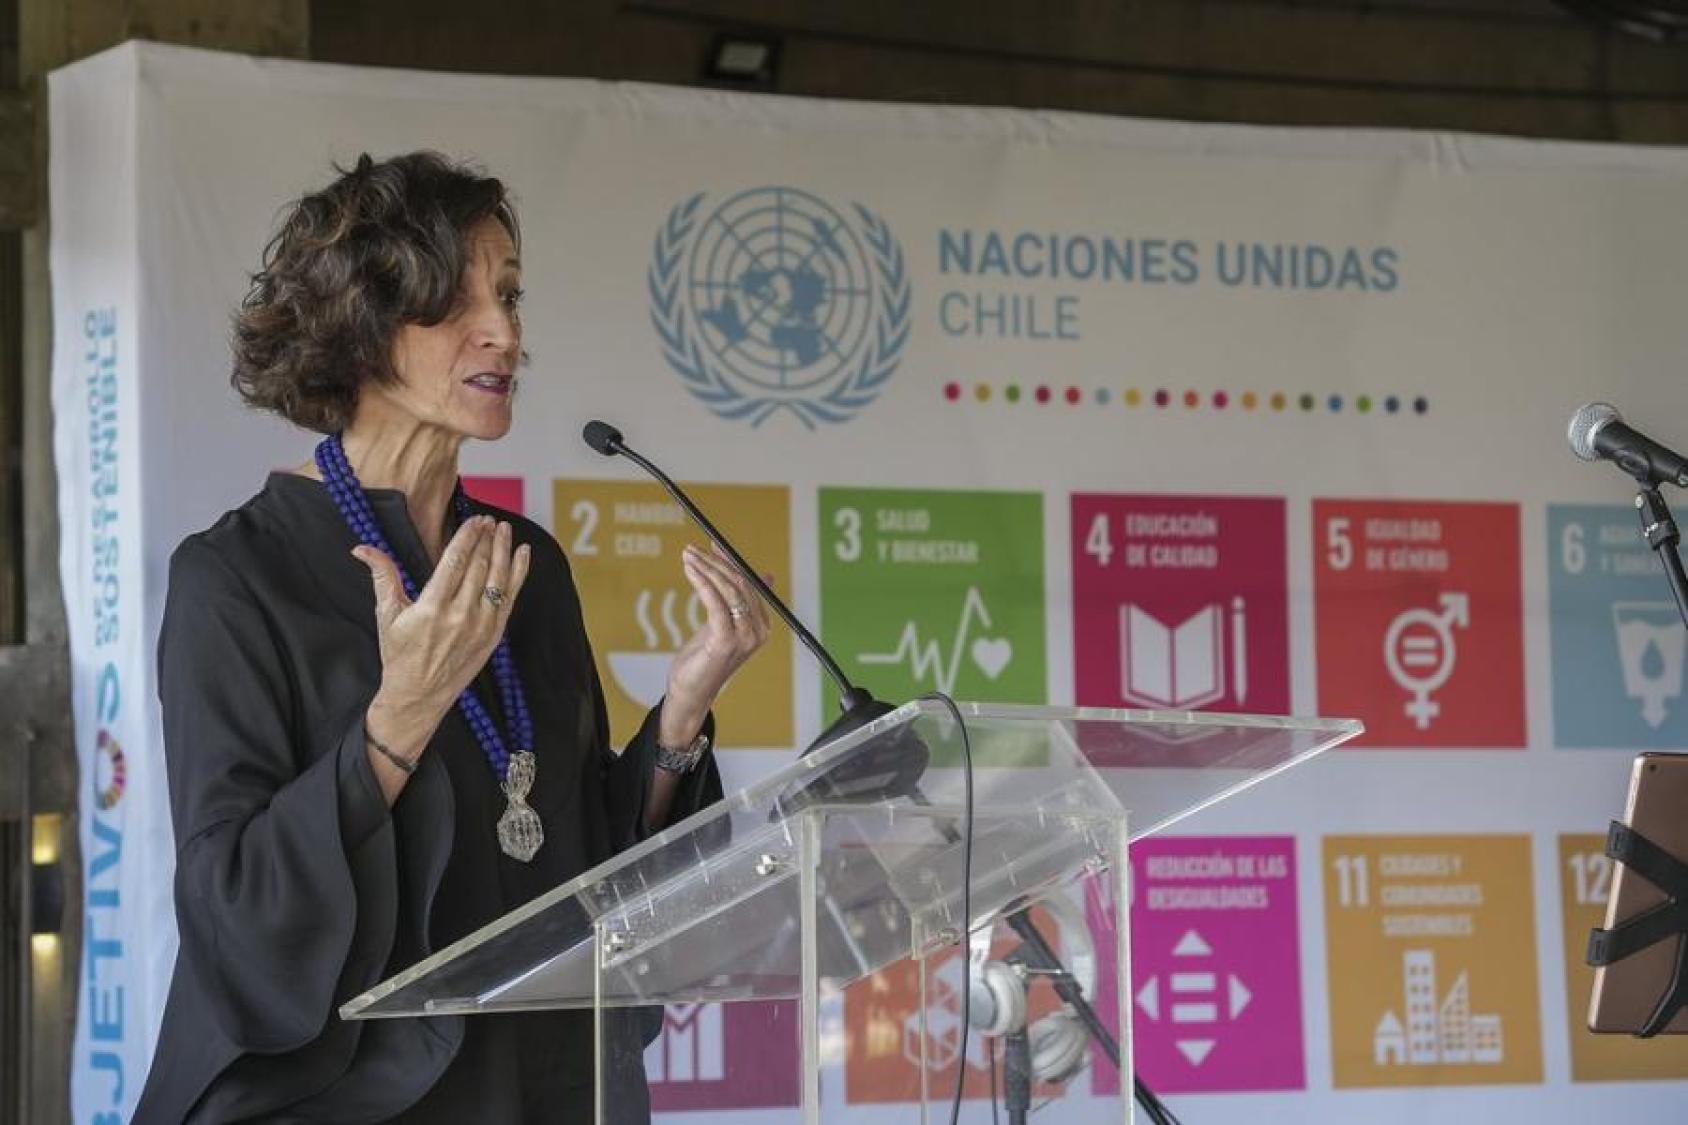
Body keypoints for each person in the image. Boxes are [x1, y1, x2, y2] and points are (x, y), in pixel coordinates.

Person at [133, 152, 770, 1123]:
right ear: (359, 327)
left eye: (510, 296)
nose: (505, 332)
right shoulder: (234, 579)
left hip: (538, 1085)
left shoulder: (527, 564)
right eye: (455, 302)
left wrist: (679, 716)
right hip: (341, 1097)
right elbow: (232, 910)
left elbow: (577, 857)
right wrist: (395, 726)